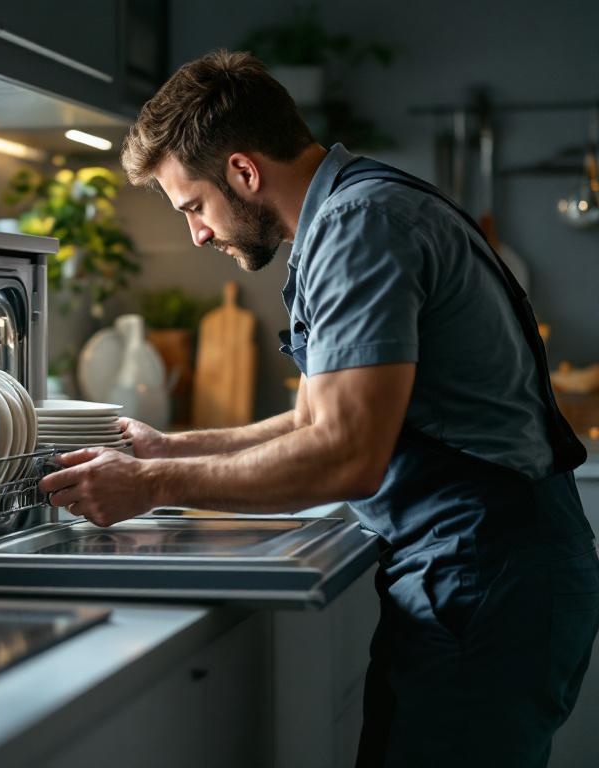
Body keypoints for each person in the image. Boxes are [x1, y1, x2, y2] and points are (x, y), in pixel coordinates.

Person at [38, 50, 599, 767]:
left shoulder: (358, 225)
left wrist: (150, 486)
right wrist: (166, 450)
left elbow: (346, 455)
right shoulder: (354, 212)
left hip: (485, 574)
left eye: (194, 207)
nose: (198, 234)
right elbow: (316, 420)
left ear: (243, 171)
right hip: (479, 571)